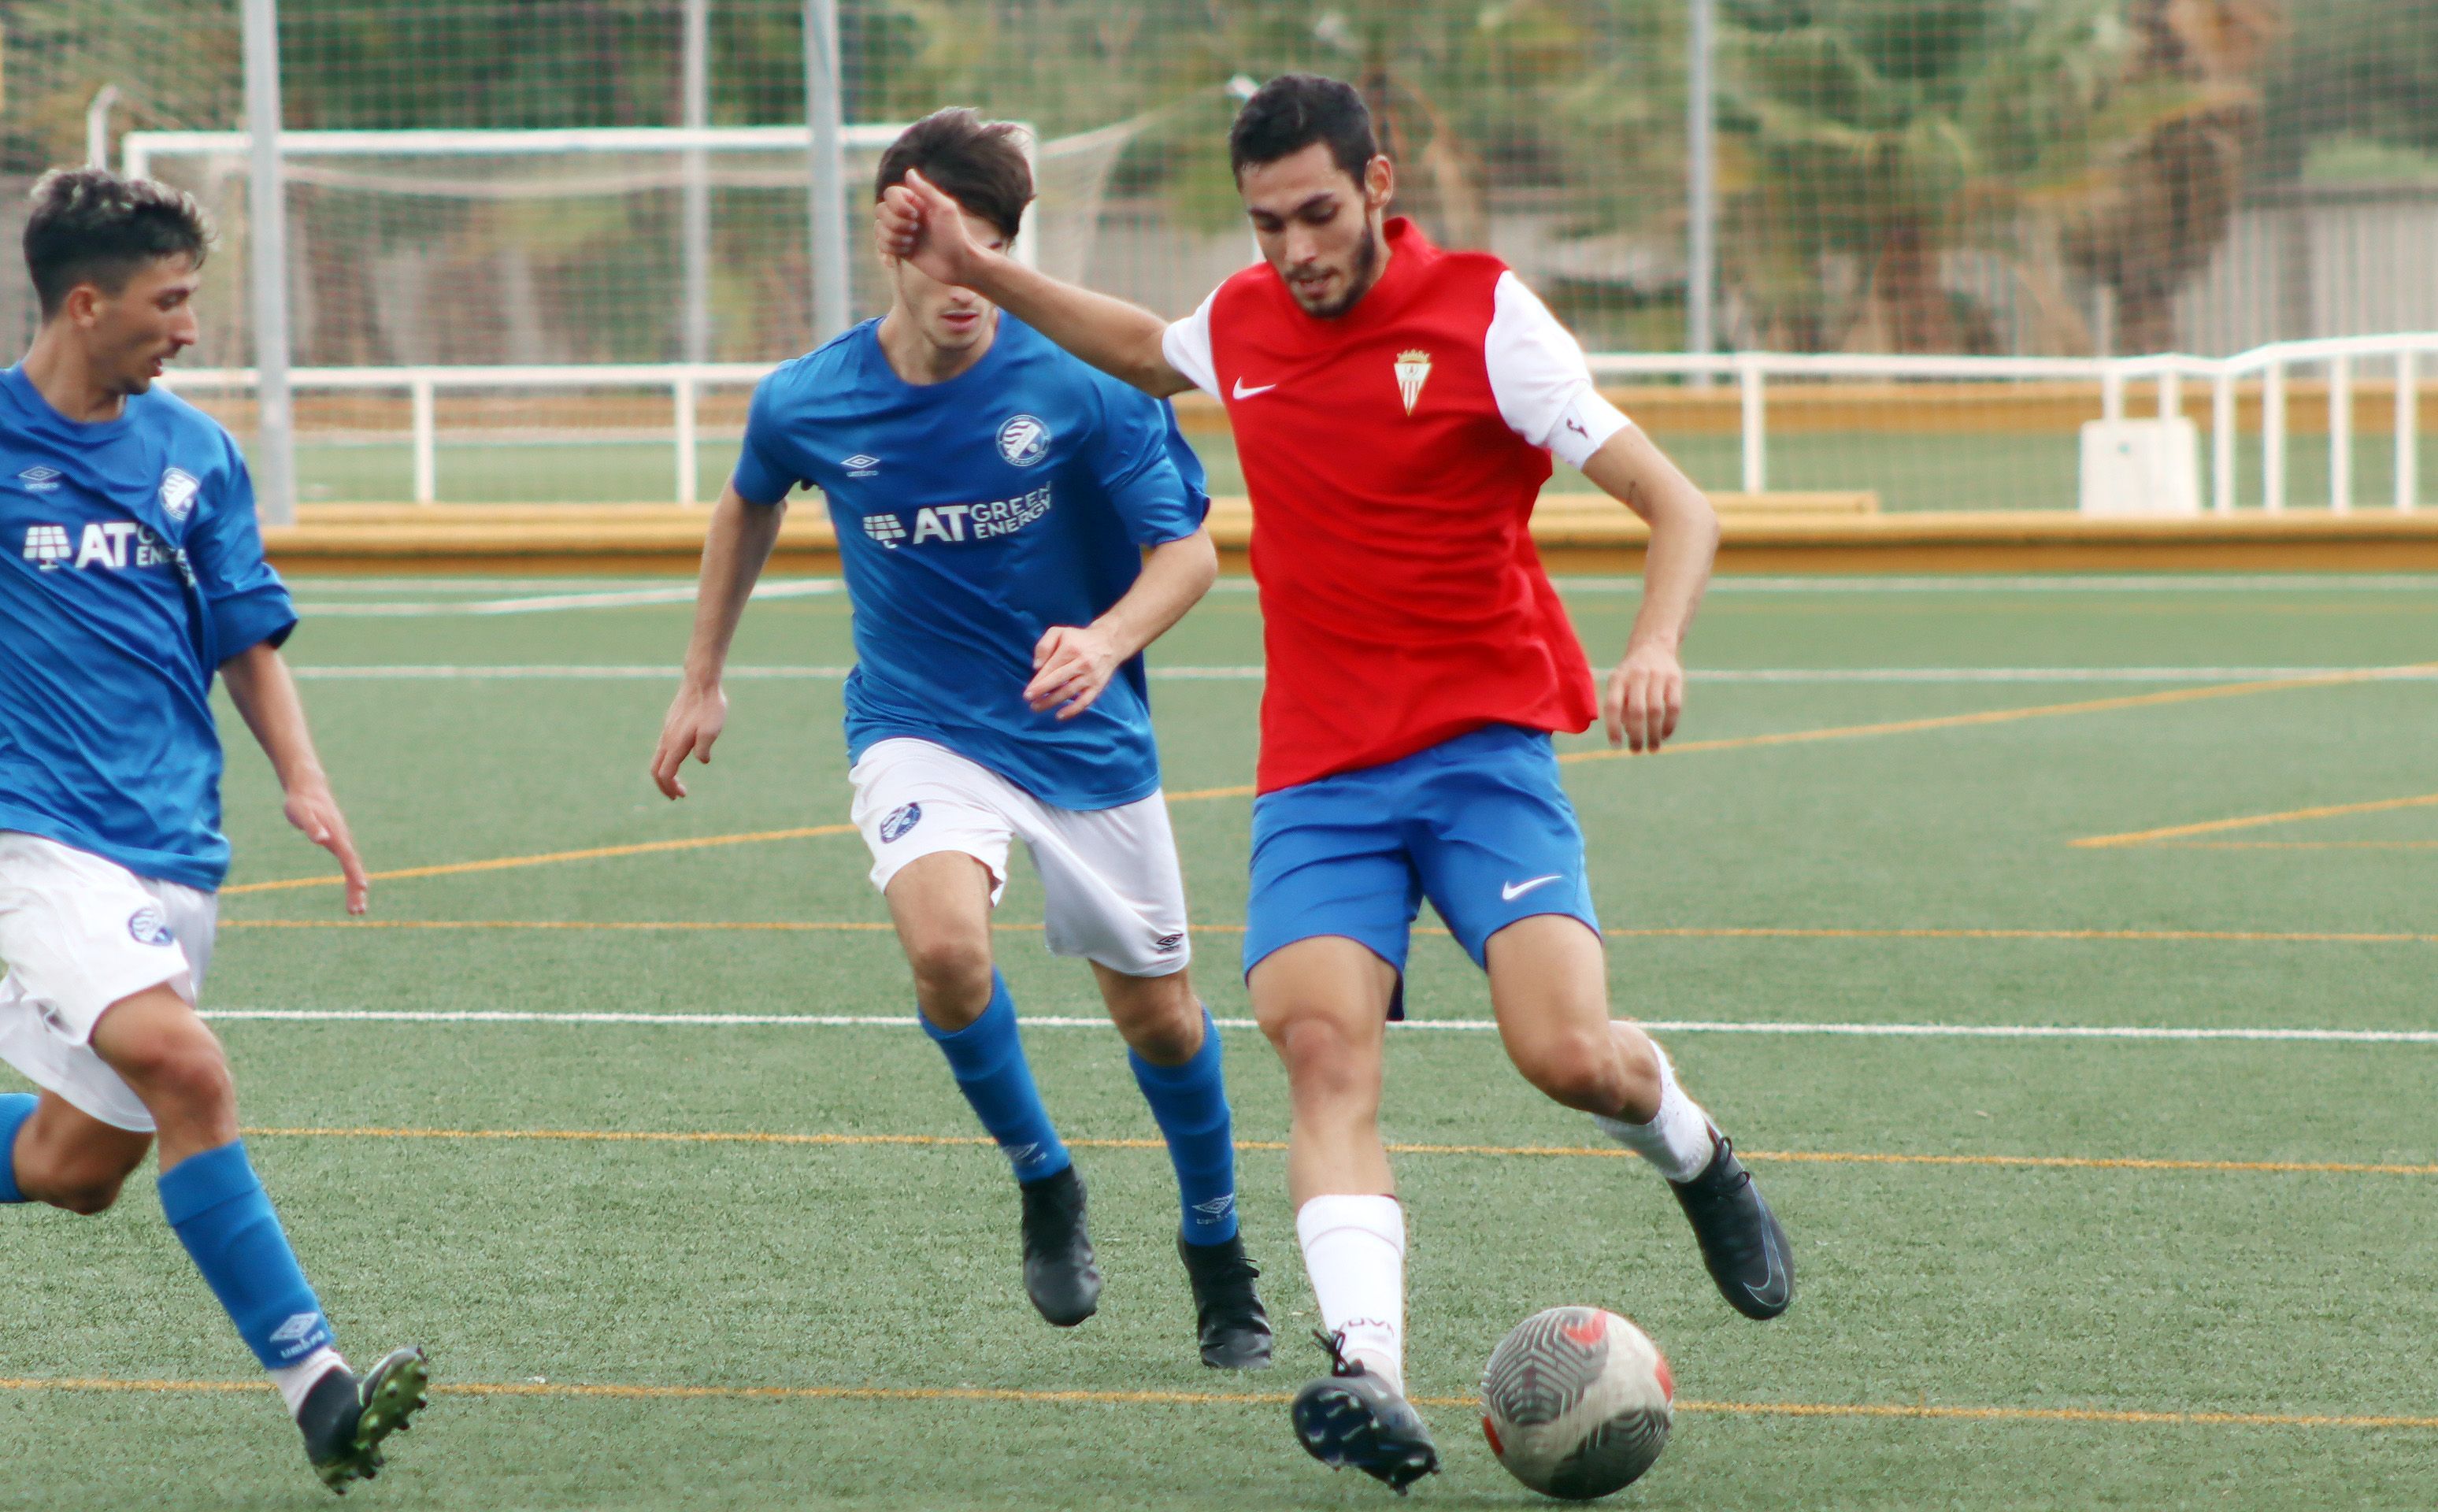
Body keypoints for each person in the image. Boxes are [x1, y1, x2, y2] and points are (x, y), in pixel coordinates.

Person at [876, 75, 1792, 1488]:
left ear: (1378, 183)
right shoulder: (1241, 323)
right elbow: (1137, 341)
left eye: (1316, 213)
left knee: (1566, 1055)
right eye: (1264, 226)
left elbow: (1682, 504)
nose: (1294, 251)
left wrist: (1654, 645)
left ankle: (1698, 1154)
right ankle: (1370, 1370)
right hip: (1318, 776)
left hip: (1486, 754)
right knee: (1319, 1049)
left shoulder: (1488, 314)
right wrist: (978, 265)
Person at [652, 109, 1270, 1369]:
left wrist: (1103, 640)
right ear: (895, 242)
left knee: (1160, 1022)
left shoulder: (1083, 381)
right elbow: (748, 501)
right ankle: (1045, 1178)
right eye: (944, 247)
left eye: (989, 248)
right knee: (946, 951)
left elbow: (1190, 552)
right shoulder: (811, 398)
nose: (965, 280)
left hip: (1083, 735)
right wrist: (700, 676)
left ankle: (1217, 1248)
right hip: (918, 727)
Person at [0, 168, 428, 1492]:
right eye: (168, 303)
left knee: (75, 1167)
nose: (189, 329)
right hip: (30, 839)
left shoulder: (197, 453)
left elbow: (245, 634)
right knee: (189, 1071)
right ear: (86, 303)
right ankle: (320, 1387)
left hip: (173, 849)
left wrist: (306, 781)